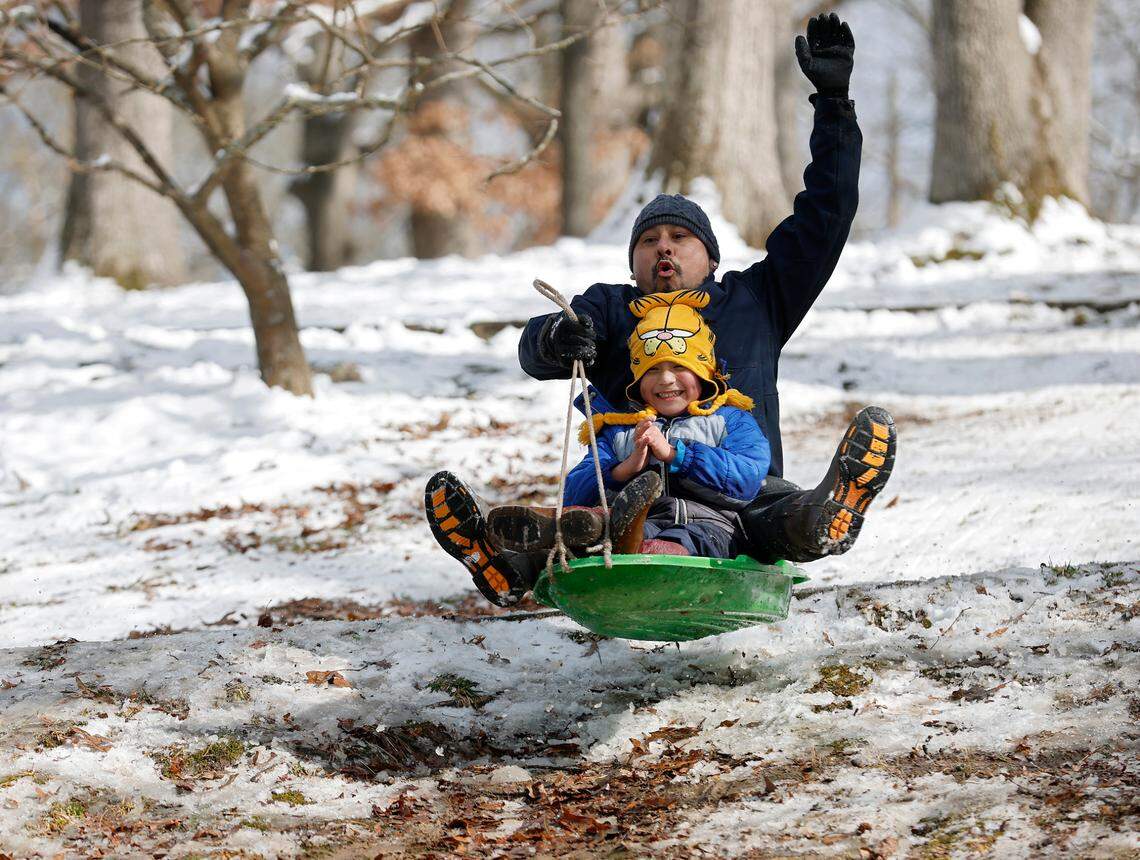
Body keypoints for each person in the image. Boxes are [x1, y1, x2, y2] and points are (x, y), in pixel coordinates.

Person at [517, 12, 897, 567]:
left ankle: (827, 513)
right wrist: (557, 338)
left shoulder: (755, 300)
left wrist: (834, 104)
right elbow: (536, 349)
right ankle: (504, 561)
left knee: (776, 512)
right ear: (634, 261)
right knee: (577, 523)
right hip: (629, 495)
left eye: (680, 237)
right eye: (648, 240)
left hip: (738, 495)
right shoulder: (610, 307)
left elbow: (827, 215)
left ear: (712, 258)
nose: (663, 248)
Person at [424, 290, 770, 605]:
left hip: (709, 528)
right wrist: (625, 468)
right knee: (597, 522)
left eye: (680, 367)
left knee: (683, 537)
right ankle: (511, 553)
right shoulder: (621, 428)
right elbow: (578, 485)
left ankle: (628, 553)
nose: (665, 380)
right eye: (653, 370)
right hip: (635, 522)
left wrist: (677, 453)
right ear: (637, 379)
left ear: (705, 373)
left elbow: (750, 476)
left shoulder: (730, 419)